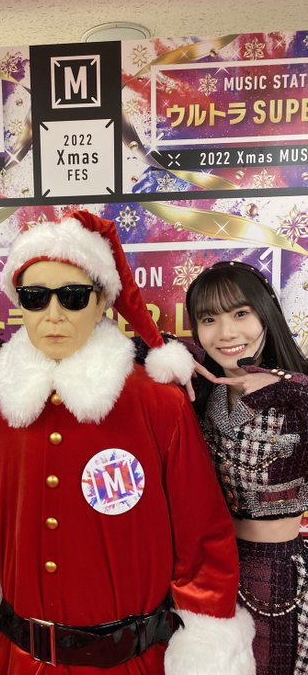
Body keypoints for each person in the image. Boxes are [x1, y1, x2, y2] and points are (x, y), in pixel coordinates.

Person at [0, 210, 255, 675]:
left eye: (74, 296)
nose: (53, 315)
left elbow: (200, 535)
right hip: (12, 658)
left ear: (101, 302)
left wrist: (207, 644)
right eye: (35, 298)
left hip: (131, 661)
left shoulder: (158, 404)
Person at [184, 260, 308, 675]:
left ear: (265, 314)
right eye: (209, 319)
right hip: (206, 574)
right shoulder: (204, 392)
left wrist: (287, 384)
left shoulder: (296, 397)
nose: (226, 333)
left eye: (240, 314)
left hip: (278, 572)